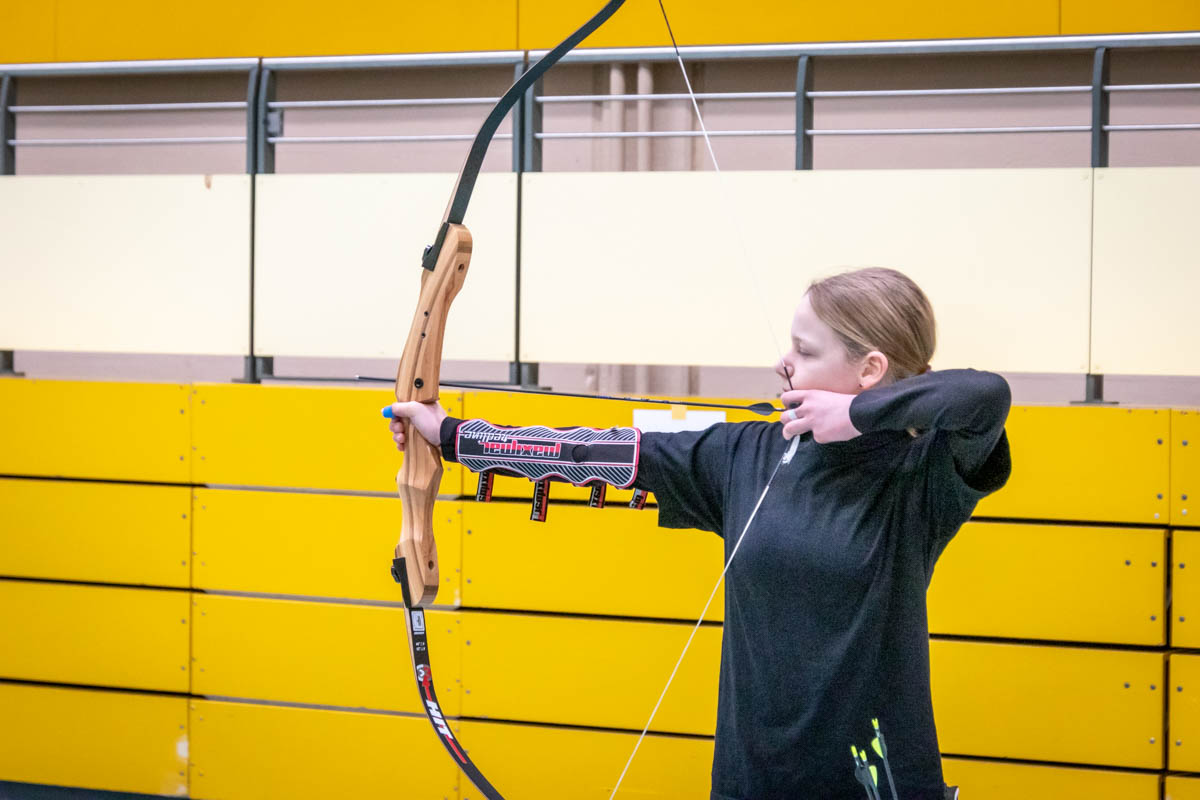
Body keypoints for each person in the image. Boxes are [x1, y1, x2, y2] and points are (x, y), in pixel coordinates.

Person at [388, 267, 1011, 800]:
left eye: (804, 350)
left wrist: (855, 415)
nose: (783, 363)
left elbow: (986, 395)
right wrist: (452, 436)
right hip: (752, 779)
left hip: (877, 781)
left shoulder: (923, 472)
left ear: (870, 369)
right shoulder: (748, 453)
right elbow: (599, 453)